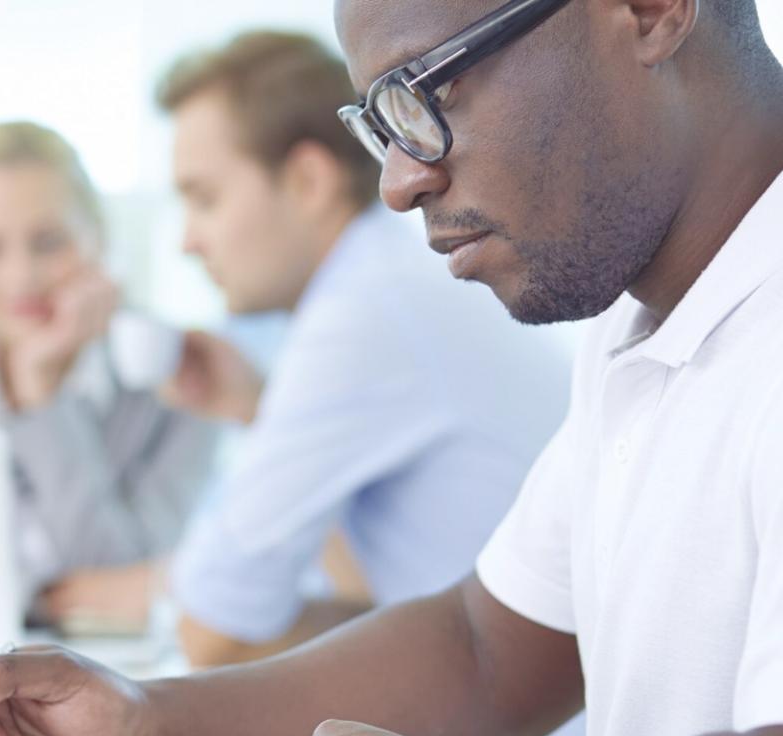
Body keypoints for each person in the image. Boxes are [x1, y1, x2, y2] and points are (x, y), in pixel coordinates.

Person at [0, 0, 783, 736]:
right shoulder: (671, 305)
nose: (400, 181)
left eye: (425, 91)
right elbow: (486, 645)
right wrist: (143, 727)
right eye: (379, 121)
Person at [151, 31, 570, 668]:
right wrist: (253, 406)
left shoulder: (366, 312)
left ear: (308, 181)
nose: (187, 241)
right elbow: (368, 588)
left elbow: (215, 628)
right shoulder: (393, 280)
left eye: (204, 199)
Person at [0, 121, 217, 630]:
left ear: (96, 236)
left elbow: (123, 596)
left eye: (49, 242)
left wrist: (43, 399)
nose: (21, 277)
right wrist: (43, 598)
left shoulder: (175, 387)